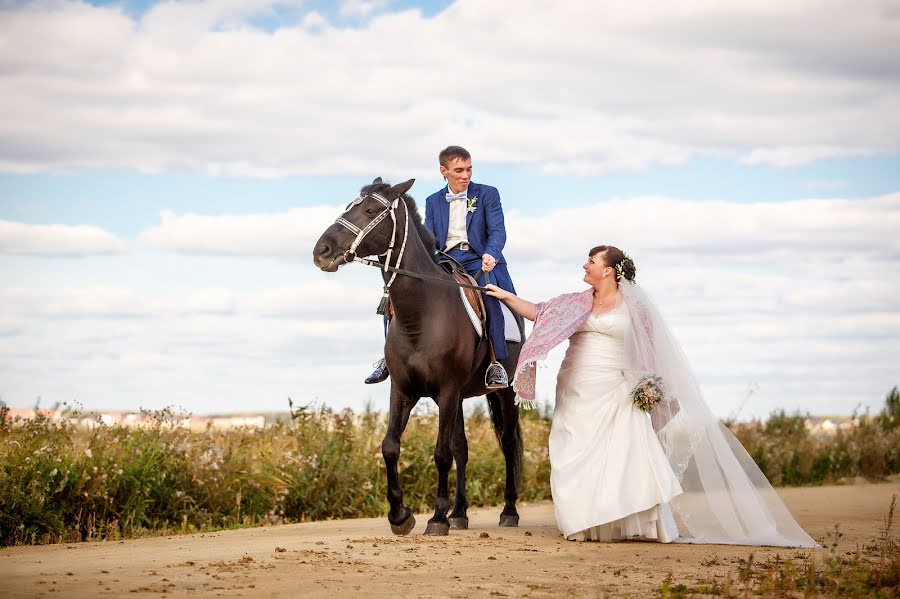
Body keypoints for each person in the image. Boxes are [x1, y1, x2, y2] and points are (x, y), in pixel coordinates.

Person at [485, 246, 818, 547]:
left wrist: (648, 384)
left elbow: (650, 349)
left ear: (609, 270)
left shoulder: (635, 306)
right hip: (574, 384)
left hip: (615, 386)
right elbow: (538, 311)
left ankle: (630, 520)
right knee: (572, 447)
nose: (585, 265)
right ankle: (584, 522)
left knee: (624, 452)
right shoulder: (575, 302)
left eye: (591, 260)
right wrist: (502, 295)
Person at [366, 145, 516, 389]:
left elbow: (498, 230)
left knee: (488, 296)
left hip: (479, 259)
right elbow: (430, 236)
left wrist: (491, 253)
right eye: (458, 170)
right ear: (443, 171)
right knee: (396, 295)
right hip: (445, 261)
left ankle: (495, 362)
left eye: (469, 169)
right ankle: (389, 360)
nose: (465, 175)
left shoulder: (488, 194)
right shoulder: (433, 200)